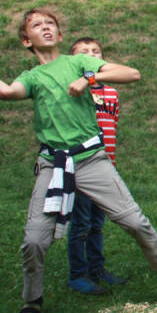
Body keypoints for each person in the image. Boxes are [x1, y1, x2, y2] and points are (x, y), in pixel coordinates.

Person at [0, 8, 157, 313]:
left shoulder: (79, 62)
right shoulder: (31, 77)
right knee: (35, 240)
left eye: (51, 24)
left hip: (91, 159)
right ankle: (32, 301)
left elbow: (131, 74)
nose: (45, 28)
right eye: (37, 25)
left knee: (136, 222)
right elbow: (8, 93)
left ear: (60, 36)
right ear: (26, 41)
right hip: (53, 164)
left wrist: (89, 78)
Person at [65, 37, 127, 295]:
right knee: (80, 223)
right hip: (82, 166)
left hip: (106, 165)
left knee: (97, 222)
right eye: (84, 53)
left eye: (96, 52)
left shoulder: (112, 93)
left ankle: (97, 268)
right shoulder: (75, 93)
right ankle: (78, 274)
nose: (91, 55)